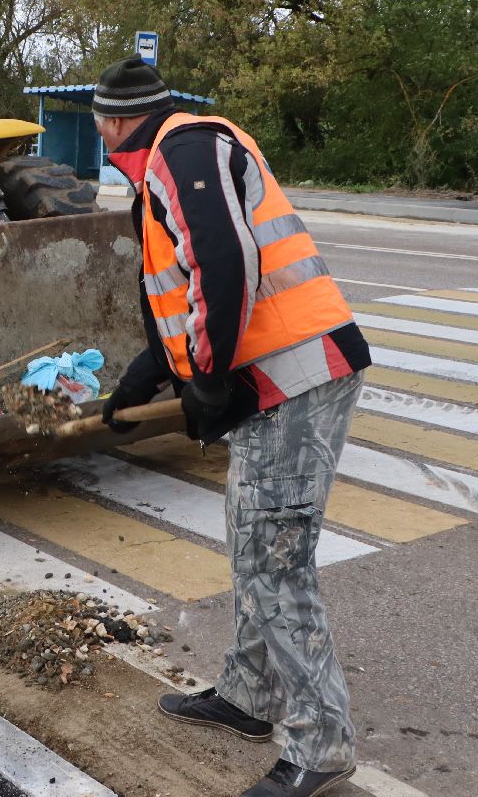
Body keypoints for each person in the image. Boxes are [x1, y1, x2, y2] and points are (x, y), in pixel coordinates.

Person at [92, 56, 371, 797]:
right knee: (253, 538)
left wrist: (208, 382)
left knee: (276, 559)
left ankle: (323, 743)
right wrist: (151, 371)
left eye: (100, 127)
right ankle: (250, 694)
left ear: (115, 122)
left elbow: (225, 264)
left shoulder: (182, 151)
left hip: (295, 376)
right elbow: (179, 287)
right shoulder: (171, 164)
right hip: (275, 377)